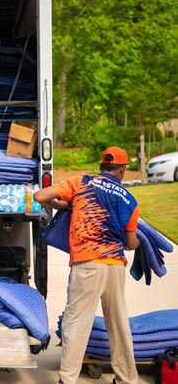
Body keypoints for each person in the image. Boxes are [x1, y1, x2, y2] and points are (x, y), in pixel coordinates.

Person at [34, 147, 140, 384]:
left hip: (87, 265)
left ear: (102, 166)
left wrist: (63, 205)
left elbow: (40, 197)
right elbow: (132, 243)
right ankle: (126, 379)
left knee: (77, 324)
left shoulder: (81, 182)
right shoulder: (129, 199)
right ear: (122, 169)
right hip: (114, 266)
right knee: (119, 325)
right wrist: (138, 240)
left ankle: (68, 379)